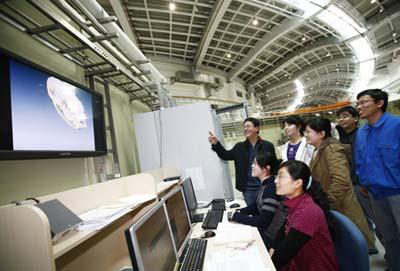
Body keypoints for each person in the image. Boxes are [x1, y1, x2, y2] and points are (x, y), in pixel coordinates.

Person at [305, 117, 375, 252]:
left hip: (341, 205)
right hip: (334, 205)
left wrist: (329, 201)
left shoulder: (332, 150)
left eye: (309, 132)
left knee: (354, 249)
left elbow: (341, 181)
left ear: (321, 134)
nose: (306, 135)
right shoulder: (318, 150)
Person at [355, 89, 400, 271]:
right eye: (358, 103)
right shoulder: (362, 132)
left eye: (364, 102)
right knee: (388, 236)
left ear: (380, 103)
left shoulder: (396, 125)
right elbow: (360, 161)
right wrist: (364, 183)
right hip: (375, 194)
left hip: (397, 192)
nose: (359, 107)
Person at [269, 160, 339, 271]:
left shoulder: (308, 212)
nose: (275, 181)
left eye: (281, 177)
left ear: (297, 183)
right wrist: (272, 250)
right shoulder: (295, 203)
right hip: (300, 263)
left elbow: (284, 255)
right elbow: (282, 233)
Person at [335, 106, 380, 254]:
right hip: (350, 184)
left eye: (346, 116)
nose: (341, 119)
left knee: (378, 219)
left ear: (355, 118)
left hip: (364, 184)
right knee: (361, 218)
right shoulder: (341, 137)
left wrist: (364, 182)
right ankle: (370, 245)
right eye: (339, 117)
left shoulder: (363, 134)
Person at [208, 117, 277, 206]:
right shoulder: (239, 147)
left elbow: (274, 165)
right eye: (244, 127)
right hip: (248, 189)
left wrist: (274, 183)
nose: (245, 129)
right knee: (252, 212)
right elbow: (225, 155)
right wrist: (216, 144)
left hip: (265, 187)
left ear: (256, 128)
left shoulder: (268, 146)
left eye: (248, 126)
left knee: (268, 212)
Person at [228, 152, 282, 248]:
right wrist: (239, 211)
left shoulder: (270, 188)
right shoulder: (266, 183)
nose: (252, 166)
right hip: (266, 231)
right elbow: (257, 205)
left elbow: (264, 221)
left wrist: (238, 217)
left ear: (266, 168)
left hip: (269, 237)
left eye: (255, 163)